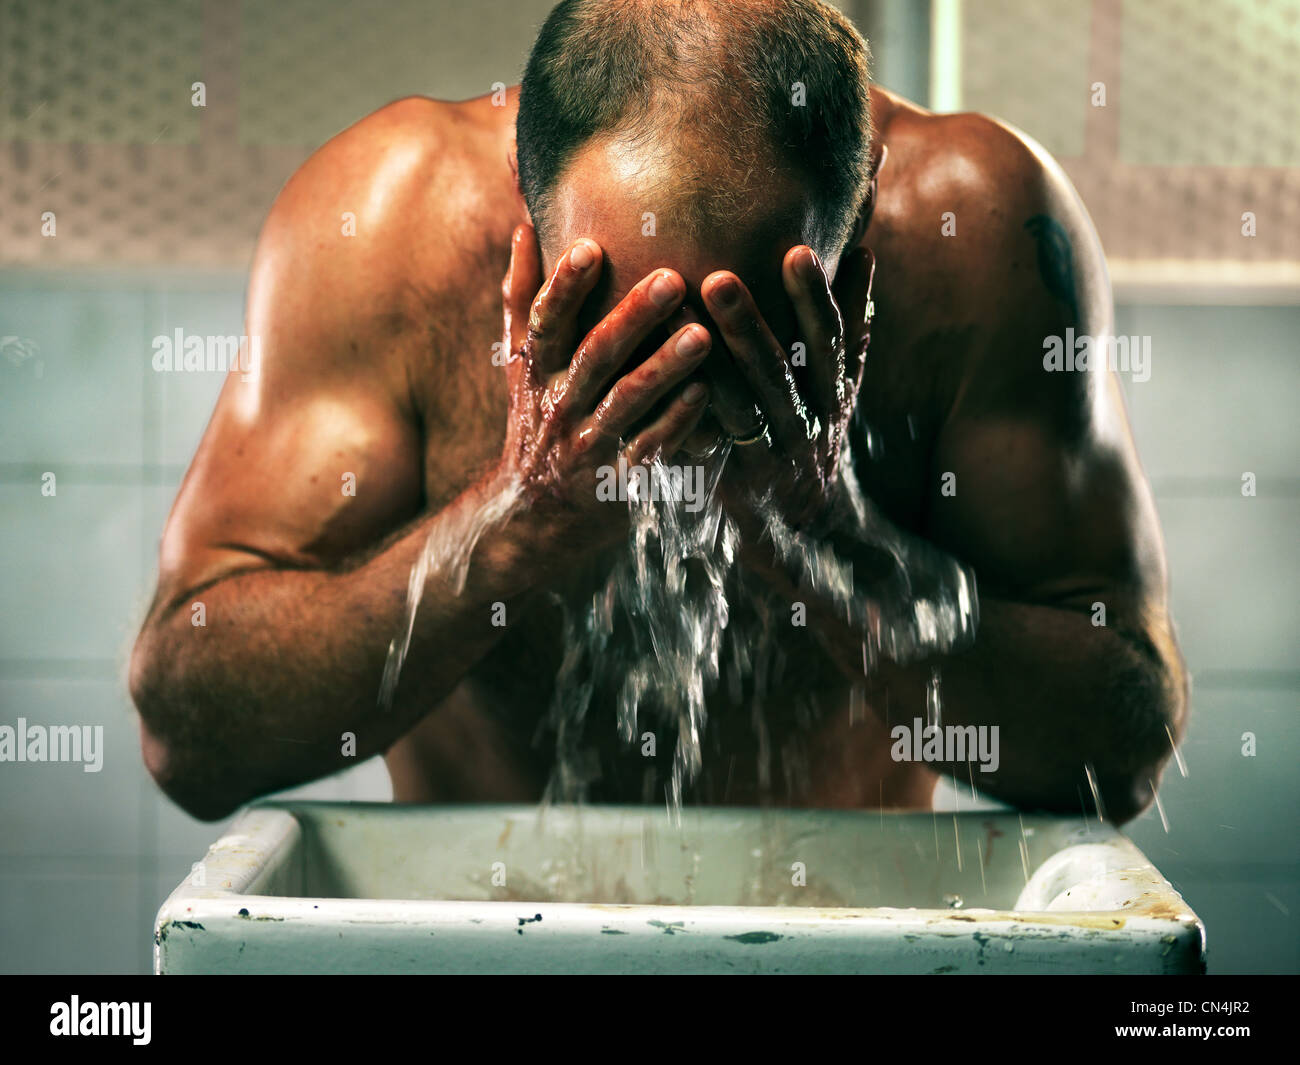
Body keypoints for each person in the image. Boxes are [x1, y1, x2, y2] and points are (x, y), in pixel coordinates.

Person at [129, 0, 1186, 822]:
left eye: (742, 348)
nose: (672, 405)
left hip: (836, 939)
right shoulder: (382, 220)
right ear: (521, 195)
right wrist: (516, 519)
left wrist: (829, 541)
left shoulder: (978, 227)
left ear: (862, 225)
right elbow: (190, 733)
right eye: (611, 330)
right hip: (482, 939)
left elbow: (1117, 753)